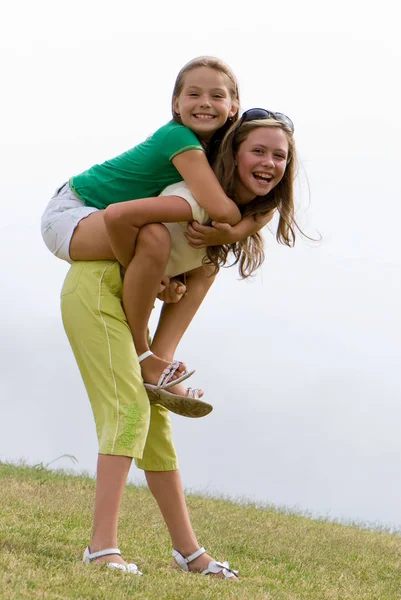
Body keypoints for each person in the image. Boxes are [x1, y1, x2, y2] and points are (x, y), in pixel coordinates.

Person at [60, 110, 300, 578]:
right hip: (95, 294)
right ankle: (101, 547)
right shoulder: (192, 197)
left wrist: (160, 361)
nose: (270, 162)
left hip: (131, 308)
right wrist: (146, 305)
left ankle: (190, 553)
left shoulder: (214, 245)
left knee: (155, 424)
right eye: (258, 150)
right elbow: (133, 228)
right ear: (231, 155)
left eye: (280, 155)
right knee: (127, 409)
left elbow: (177, 308)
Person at [42, 57, 278, 397]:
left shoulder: (218, 150)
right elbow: (222, 209)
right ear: (176, 105)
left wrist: (234, 233)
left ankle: (163, 358)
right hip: (71, 212)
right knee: (154, 237)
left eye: (217, 96)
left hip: (111, 216)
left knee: (207, 263)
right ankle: (143, 355)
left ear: (233, 107)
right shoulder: (178, 138)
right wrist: (160, 279)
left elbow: (267, 207)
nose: (205, 103)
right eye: (193, 94)